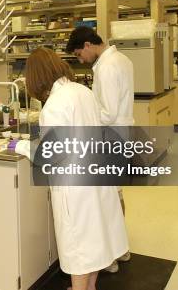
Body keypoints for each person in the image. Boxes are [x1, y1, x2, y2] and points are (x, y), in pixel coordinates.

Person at [24, 47, 129, 290]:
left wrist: (19, 145)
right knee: (94, 241)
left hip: (74, 186)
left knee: (79, 248)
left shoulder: (53, 105)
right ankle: (89, 287)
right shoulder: (83, 91)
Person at [66, 26, 134, 272]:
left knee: (106, 199)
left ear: (87, 45)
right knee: (115, 195)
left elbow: (108, 112)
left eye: (78, 55)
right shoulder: (122, 59)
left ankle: (110, 258)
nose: (80, 60)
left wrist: (84, 111)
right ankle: (120, 249)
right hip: (121, 134)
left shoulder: (106, 67)